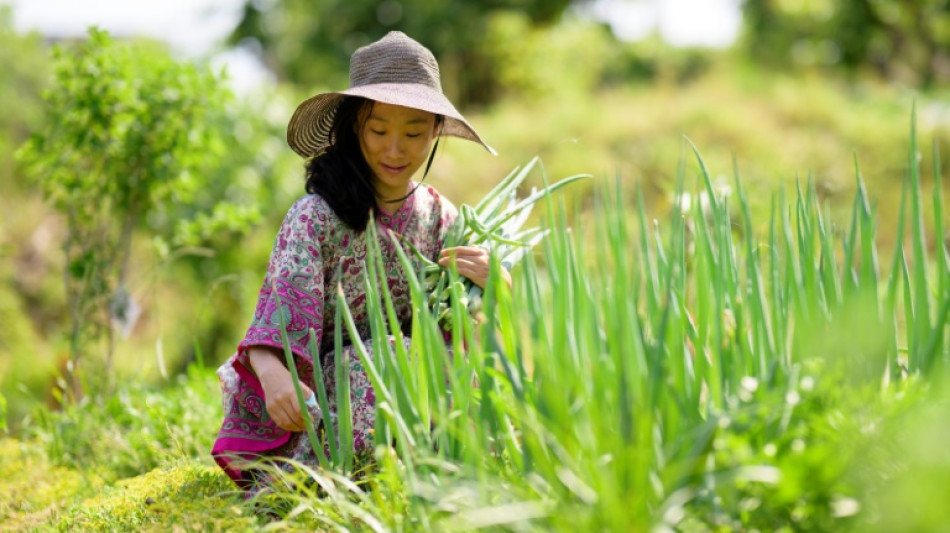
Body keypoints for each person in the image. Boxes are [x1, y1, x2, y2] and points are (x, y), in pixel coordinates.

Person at [211, 31, 497, 493]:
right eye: (379, 130)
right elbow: (273, 324)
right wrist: (273, 376)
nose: (396, 150)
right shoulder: (315, 217)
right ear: (354, 128)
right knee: (373, 361)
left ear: (435, 132)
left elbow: (461, 336)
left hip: (410, 404)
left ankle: (428, 474)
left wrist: (492, 287)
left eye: (414, 132)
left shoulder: (441, 218)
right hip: (324, 408)